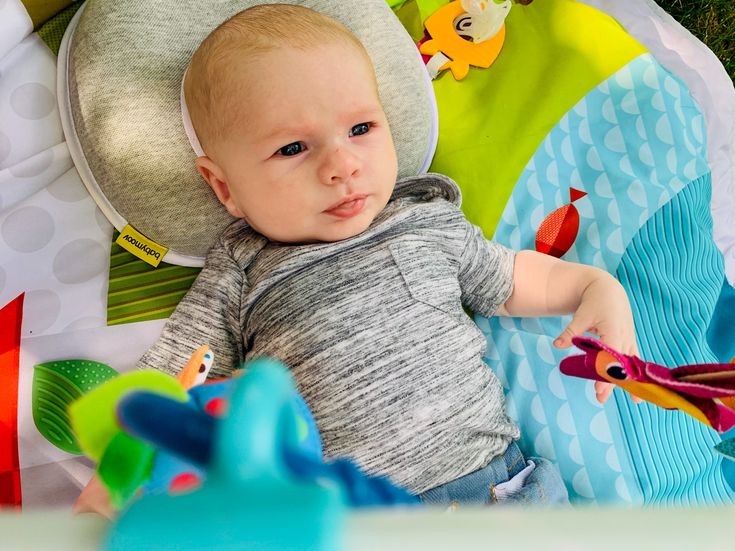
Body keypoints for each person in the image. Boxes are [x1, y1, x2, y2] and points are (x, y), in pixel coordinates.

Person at [77, 3, 638, 514]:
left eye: (361, 128)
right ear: (224, 187)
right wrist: (117, 480)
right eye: (293, 148)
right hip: (348, 518)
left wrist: (595, 288)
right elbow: (177, 379)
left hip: (496, 493)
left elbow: (513, 278)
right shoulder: (242, 270)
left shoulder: (423, 220)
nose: (341, 164)